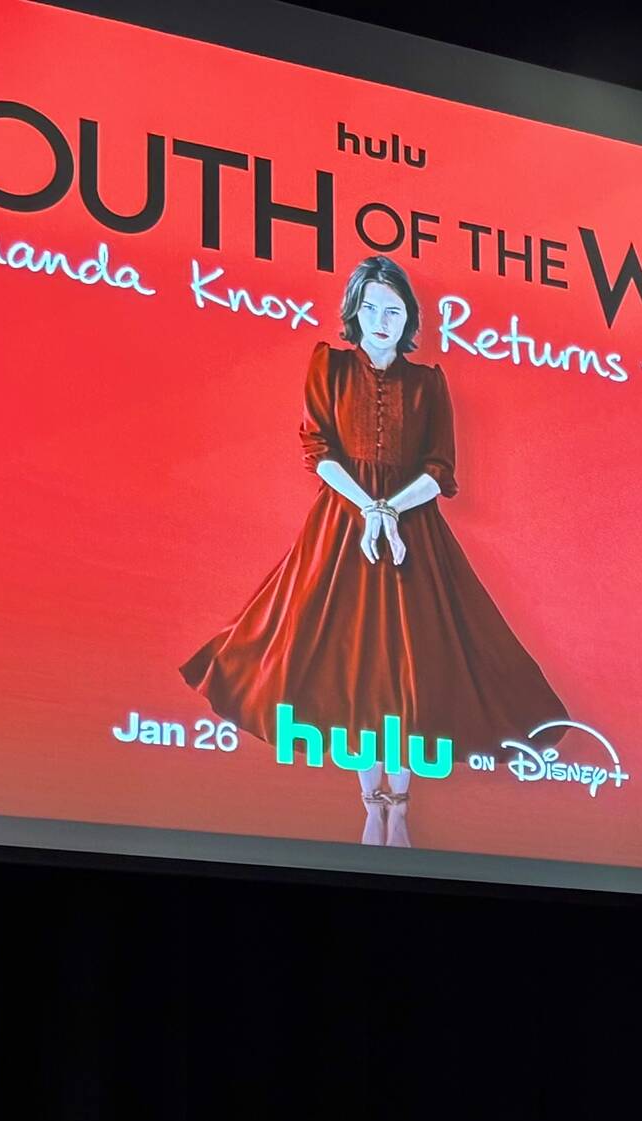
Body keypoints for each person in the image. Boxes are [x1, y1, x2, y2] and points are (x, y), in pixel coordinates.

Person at [181, 255, 567, 848]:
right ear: (354, 314)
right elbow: (318, 451)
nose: (382, 319)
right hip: (340, 525)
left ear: (408, 316)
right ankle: (372, 797)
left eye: (394, 309)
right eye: (371, 308)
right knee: (349, 659)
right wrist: (368, 510)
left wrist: (390, 513)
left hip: (415, 531)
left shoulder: (428, 381)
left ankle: (401, 799)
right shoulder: (328, 366)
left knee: (415, 658)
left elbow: (441, 469)